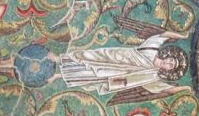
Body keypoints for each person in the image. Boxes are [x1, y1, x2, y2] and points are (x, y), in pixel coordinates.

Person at [58, 31, 188, 98]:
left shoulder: (152, 76)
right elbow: (164, 35)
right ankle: (62, 60)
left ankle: (61, 76)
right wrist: (182, 36)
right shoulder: (152, 47)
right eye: (171, 60)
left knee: (92, 76)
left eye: (170, 66)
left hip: (116, 74)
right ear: (168, 56)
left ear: (168, 70)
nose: (168, 63)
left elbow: (167, 90)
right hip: (114, 57)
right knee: (90, 57)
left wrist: (185, 88)